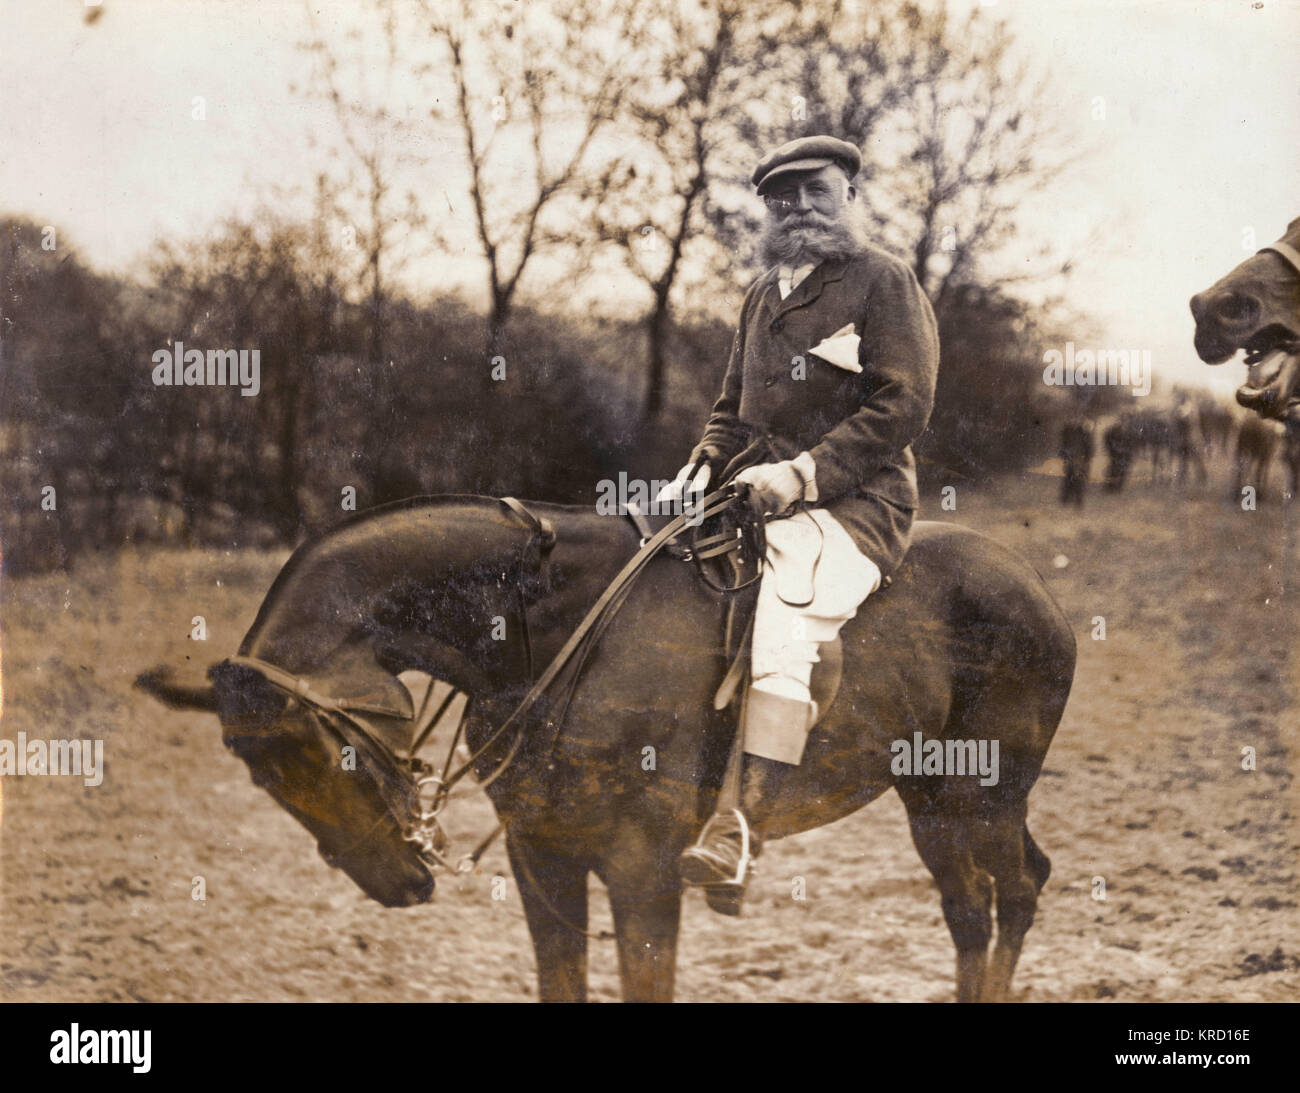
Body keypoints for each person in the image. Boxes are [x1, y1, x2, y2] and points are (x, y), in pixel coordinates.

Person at [659, 135, 939, 913]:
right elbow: (729, 410)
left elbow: (904, 403)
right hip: (751, 496)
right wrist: (700, 466)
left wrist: (804, 472)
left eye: (815, 190)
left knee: (781, 610)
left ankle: (738, 826)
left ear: (849, 192)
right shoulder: (762, 296)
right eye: (782, 196)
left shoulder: (883, 281)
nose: (799, 207)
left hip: (857, 504)